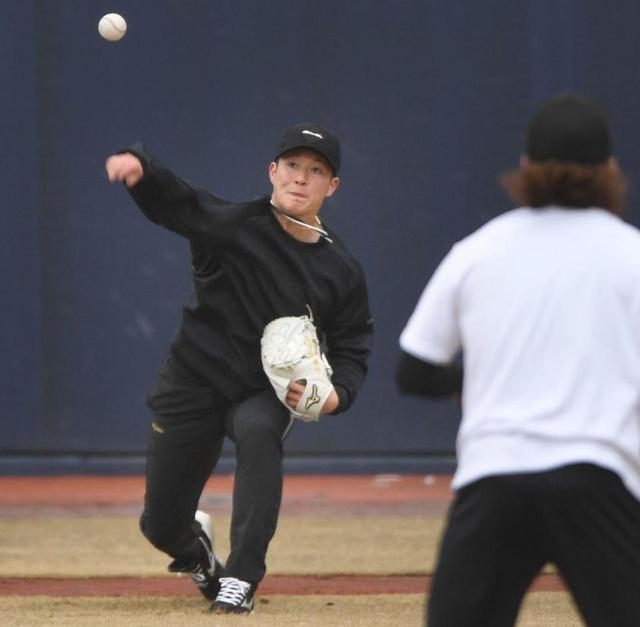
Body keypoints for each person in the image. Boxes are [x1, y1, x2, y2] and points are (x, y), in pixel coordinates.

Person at [105, 123, 373, 614]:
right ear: (272, 172)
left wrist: (337, 395)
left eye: (316, 171)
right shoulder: (233, 226)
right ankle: (196, 553)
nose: (300, 178)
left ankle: (242, 577)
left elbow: (355, 343)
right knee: (160, 524)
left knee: (256, 431)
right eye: (292, 166)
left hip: (263, 389)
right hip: (195, 377)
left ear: (331, 187)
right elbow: (179, 203)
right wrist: (140, 170)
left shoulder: (340, 268)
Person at [396, 93, 640, 626]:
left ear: (526, 167)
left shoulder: (479, 250)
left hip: (496, 476)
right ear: (610, 170)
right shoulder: (632, 256)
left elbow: (414, 371)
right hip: (598, 479)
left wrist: (473, 377)